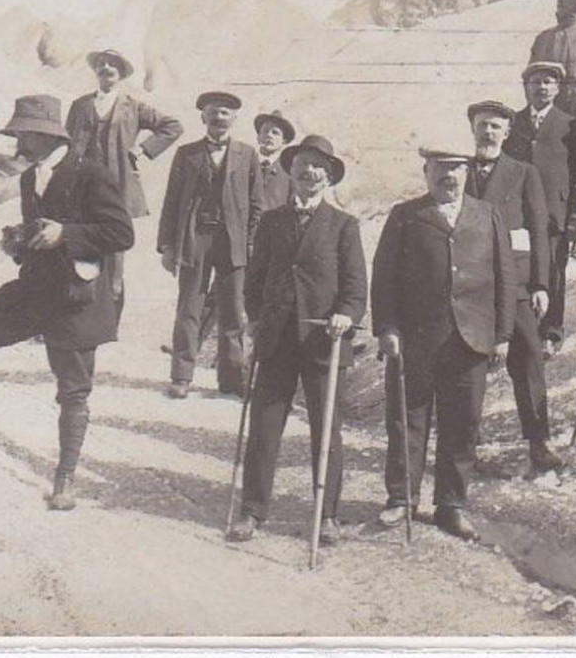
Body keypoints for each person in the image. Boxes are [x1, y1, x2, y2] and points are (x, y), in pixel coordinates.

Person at [0, 95, 134, 512]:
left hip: (75, 299)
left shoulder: (91, 174)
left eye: (23, 133)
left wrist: (65, 233)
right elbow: (39, 232)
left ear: (46, 134)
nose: (17, 140)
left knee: (73, 392)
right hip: (35, 290)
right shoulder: (31, 177)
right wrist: (18, 240)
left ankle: (64, 479)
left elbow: (121, 234)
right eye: (16, 133)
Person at [372, 148, 514, 542]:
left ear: (467, 172)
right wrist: (387, 326)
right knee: (407, 419)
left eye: (455, 168)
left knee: (463, 422)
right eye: (440, 168)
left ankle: (451, 505)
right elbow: (384, 277)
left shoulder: (487, 215)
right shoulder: (406, 216)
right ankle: (402, 498)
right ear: (426, 171)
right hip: (415, 339)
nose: (447, 176)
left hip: (471, 338)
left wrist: (502, 334)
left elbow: (505, 276)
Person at [230, 134, 365, 546]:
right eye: (303, 163)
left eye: (318, 165)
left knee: (326, 432)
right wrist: (257, 320)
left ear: (328, 176)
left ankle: (327, 516)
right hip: (276, 342)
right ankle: (252, 511)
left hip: (325, 340)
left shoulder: (344, 225)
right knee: (265, 428)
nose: (309, 171)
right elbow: (253, 282)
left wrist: (346, 314)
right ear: (292, 170)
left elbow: (356, 287)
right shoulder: (272, 222)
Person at [466, 100, 564, 476]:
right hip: (471, 285)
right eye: (481, 125)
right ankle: (465, 445)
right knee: (469, 364)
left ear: (507, 133)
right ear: (472, 129)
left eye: (495, 126)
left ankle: (539, 443)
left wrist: (540, 283)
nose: (487, 132)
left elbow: (539, 231)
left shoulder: (524, 173)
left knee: (528, 361)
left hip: (517, 284)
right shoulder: (460, 172)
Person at [157, 91, 263, 399]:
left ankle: (231, 379)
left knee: (233, 311)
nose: (219, 118)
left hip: (233, 242)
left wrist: (252, 246)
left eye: (225, 113)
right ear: (203, 117)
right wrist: (166, 246)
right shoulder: (186, 154)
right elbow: (171, 203)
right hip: (195, 239)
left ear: (234, 119)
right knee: (189, 308)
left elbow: (258, 205)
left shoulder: (247, 154)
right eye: (213, 112)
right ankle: (181, 376)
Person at [64, 49, 182, 314]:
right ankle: (80, 313)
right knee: (81, 245)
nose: (105, 67)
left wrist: (143, 149)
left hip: (116, 189)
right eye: (101, 64)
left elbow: (172, 126)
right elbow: (67, 143)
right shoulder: (80, 105)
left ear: (120, 72)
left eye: (111, 64)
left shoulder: (133, 105)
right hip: (82, 189)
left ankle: (110, 316)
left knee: (115, 253)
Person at [504, 62, 576, 356]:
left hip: (556, 214)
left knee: (553, 270)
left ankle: (550, 332)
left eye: (548, 82)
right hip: (519, 214)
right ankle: (518, 330)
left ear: (557, 89)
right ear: (525, 88)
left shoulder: (571, 124)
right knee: (518, 269)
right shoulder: (512, 123)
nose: (541, 88)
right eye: (535, 82)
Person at [252, 108, 297, 211]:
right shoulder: (245, 165)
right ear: (258, 137)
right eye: (265, 131)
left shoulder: (289, 172)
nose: (269, 135)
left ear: (283, 141)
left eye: (275, 133)